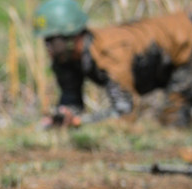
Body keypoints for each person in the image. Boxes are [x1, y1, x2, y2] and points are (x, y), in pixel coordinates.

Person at [33, 0, 192, 128]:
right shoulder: (66, 59)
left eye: (52, 41)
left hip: (185, 46)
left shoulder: (111, 54)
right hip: (169, 55)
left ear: (71, 37)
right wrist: (63, 116)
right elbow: (70, 100)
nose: (48, 48)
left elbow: (125, 113)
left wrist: (83, 122)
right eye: (45, 41)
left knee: (173, 117)